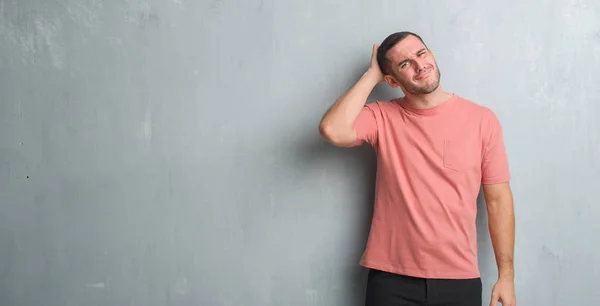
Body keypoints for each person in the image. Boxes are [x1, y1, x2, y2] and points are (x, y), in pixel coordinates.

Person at [318, 31, 516, 306]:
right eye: (404, 64)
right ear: (392, 80)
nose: (419, 65)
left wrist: (506, 275)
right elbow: (332, 130)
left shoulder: (482, 120)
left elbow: (498, 200)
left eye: (421, 53)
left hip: (459, 278)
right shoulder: (381, 116)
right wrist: (372, 75)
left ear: (431, 53)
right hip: (391, 280)